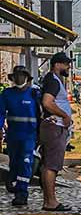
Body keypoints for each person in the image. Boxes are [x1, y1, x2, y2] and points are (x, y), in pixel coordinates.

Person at [0, 66, 41, 206]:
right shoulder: (7, 94)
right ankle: (13, 183)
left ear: (26, 78)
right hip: (12, 136)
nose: (18, 78)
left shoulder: (34, 94)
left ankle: (22, 194)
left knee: (25, 163)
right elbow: (1, 113)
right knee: (14, 164)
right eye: (16, 76)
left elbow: (42, 114)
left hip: (29, 137)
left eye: (21, 76)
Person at [39, 52, 74, 212]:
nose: (68, 67)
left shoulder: (54, 80)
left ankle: (49, 201)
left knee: (48, 165)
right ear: (58, 64)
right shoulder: (53, 81)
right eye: (66, 64)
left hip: (54, 126)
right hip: (54, 127)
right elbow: (47, 102)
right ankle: (51, 202)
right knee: (52, 166)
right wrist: (64, 115)